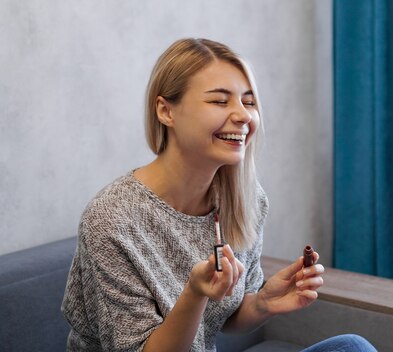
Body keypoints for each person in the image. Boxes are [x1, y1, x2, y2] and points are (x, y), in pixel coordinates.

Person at [61, 38, 376, 352]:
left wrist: (264, 302)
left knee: (352, 347)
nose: (243, 116)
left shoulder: (245, 201)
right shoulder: (112, 219)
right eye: (220, 101)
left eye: (248, 102)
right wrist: (194, 294)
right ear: (166, 111)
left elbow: (228, 318)